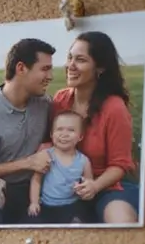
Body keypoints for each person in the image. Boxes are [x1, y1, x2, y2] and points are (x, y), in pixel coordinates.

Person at [51, 32, 139, 224]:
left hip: (108, 186)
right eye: (69, 57)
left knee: (120, 220)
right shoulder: (60, 99)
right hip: (66, 186)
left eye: (80, 60)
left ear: (100, 68)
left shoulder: (114, 107)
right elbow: (51, 144)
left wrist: (94, 186)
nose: (70, 66)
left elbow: (120, 165)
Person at [0, 38, 56, 225]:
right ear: (21, 68)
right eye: (44, 69)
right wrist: (27, 163)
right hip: (0, 189)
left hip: (35, 187)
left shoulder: (45, 103)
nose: (51, 76)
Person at [28, 111, 93, 224]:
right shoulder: (46, 156)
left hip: (71, 204)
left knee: (79, 219)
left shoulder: (83, 161)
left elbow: (89, 183)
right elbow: (36, 180)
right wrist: (34, 202)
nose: (64, 134)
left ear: (80, 136)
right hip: (46, 204)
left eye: (71, 130)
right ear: (52, 134)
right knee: (33, 221)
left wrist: (82, 189)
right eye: (59, 129)